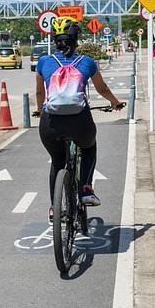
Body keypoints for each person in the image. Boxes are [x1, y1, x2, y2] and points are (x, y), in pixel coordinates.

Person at [33, 16, 125, 208]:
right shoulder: (88, 62)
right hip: (79, 122)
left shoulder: (43, 62)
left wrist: (39, 109)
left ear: (55, 41)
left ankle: (54, 208)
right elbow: (102, 89)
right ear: (76, 40)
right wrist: (115, 103)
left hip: (51, 123)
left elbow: (40, 92)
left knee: (57, 161)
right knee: (89, 147)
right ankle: (85, 189)